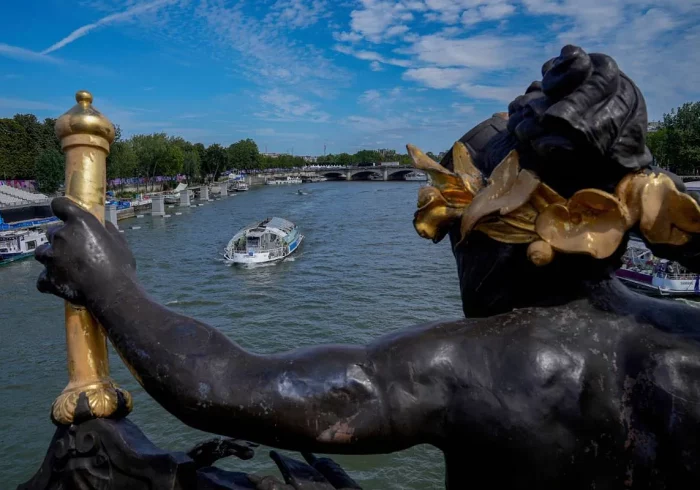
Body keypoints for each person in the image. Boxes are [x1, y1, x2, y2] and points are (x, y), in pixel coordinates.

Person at [35, 46, 700, 489]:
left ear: (527, 220)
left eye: (451, 215)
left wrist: (108, 282)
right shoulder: (680, 344)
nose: (448, 243)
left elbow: (219, 385)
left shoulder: (476, 364)